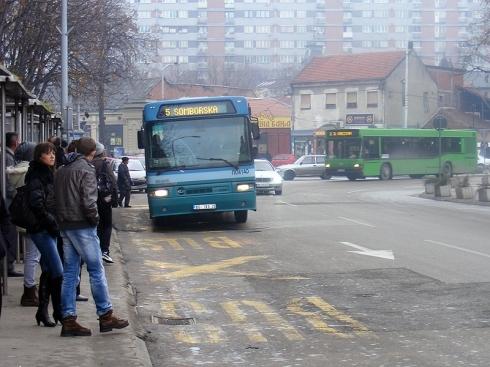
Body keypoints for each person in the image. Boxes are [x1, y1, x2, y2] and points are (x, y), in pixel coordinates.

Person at [54, 137, 128, 337]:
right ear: (93, 152)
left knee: (70, 273)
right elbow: (88, 201)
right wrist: (94, 220)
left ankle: (68, 319)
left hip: (65, 225)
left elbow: (53, 199)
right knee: (96, 270)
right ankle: (105, 314)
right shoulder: (86, 169)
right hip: (82, 225)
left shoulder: (61, 169)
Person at [24, 142, 63, 327]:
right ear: (40, 156)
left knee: (48, 269)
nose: (52, 156)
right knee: (58, 270)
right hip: (42, 229)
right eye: (48, 153)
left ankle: (42, 311)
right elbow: (37, 204)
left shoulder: (48, 174)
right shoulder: (36, 176)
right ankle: (59, 311)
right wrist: (52, 222)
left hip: (48, 228)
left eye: (53, 153)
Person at [8, 142, 41, 306]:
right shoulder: (31, 172)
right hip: (34, 218)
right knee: (34, 256)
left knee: (32, 255)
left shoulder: (15, 171)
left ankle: (30, 289)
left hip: (23, 217)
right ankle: (30, 289)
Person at [93, 142, 117, 264]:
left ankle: (96, 250)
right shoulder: (104, 164)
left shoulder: (88, 163)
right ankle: (105, 251)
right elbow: (112, 181)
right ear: (102, 152)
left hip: (91, 199)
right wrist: (115, 199)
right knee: (106, 225)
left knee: (96, 225)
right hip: (104, 199)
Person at [4, 132, 23, 277]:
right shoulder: (7, 157)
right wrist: (15, 193)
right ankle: (8, 265)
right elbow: (7, 180)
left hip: (7, 200)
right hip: (7, 202)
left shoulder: (7, 156)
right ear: (15, 142)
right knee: (9, 232)